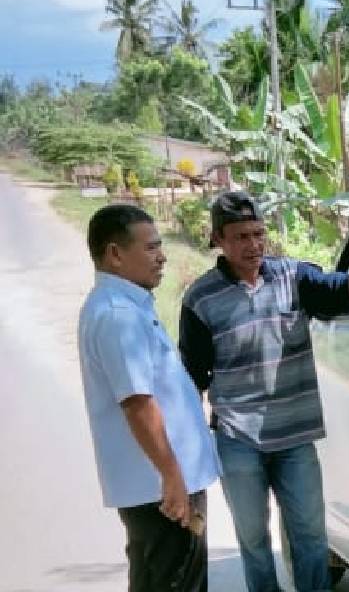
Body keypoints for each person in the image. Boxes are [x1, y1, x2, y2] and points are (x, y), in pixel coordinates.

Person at [179, 191, 349, 592]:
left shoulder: (293, 277)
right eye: (240, 237)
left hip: (295, 440)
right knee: (254, 542)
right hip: (238, 440)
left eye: (258, 233)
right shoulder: (200, 300)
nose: (253, 245)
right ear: (218, 239)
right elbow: (192, 380)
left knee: (310, 538)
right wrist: (188, 455)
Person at [77, 204, 220, 592]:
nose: (163, 257)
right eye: (152, 248)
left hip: (154, 485)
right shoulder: (119, 316)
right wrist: (173, 476)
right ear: (116, 254)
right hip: (161, 488)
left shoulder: (122, 308)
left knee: (153, 581)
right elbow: (137, 403)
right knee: (179, 582)